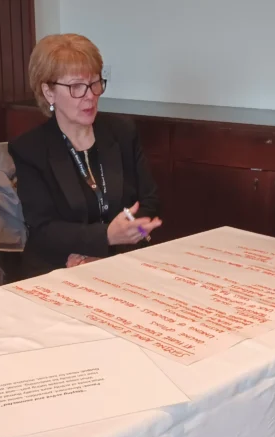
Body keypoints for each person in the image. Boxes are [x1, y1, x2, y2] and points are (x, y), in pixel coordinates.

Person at [9, 34, 161, 278]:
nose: (90, 95)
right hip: (58, 269)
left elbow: (149, 202)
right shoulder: (30, 149)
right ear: (48, 92)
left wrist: (119, 241)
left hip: (124, 261)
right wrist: (104, 238)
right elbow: (44, 229)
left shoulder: (122, 132)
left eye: (94, 83)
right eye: (76, 87)